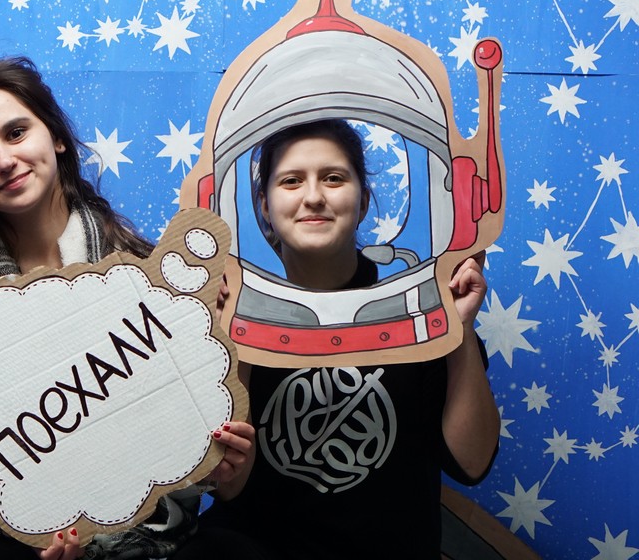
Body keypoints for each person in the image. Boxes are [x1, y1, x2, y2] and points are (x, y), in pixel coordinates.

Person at [0, 57, 247, 560]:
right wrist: (38, 519)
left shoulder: (144, 277)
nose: (4, 159)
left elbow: (171, 434)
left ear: (56, 137)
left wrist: (217, 457)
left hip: (144, 529)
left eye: (16, 133)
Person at [206, 118, 499, 559]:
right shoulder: (230, 313)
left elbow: (471, 464)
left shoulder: (418, 309)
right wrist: (230, 342)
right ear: (264, 205)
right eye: (291, 181)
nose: (313, 196)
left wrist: (459, 329)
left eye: (333, 178)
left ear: (362, 202)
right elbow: (228, 486)